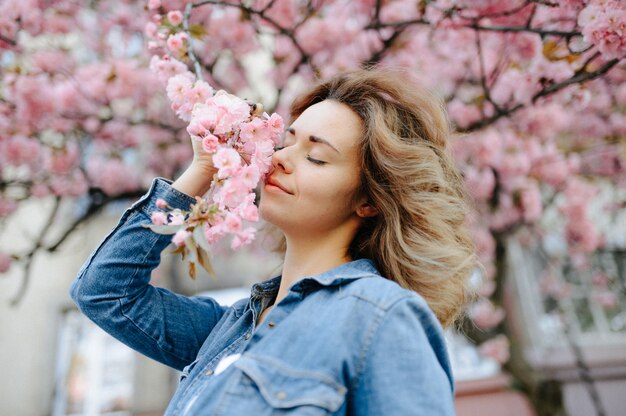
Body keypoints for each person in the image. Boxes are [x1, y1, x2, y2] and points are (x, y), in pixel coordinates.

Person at [70, 68, 477, 415]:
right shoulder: (228, 330)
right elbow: (104, 293)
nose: (281, 158)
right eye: (289, 141)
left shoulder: (380, 318)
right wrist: (201, 171)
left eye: (316, 157)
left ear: (369, 199)